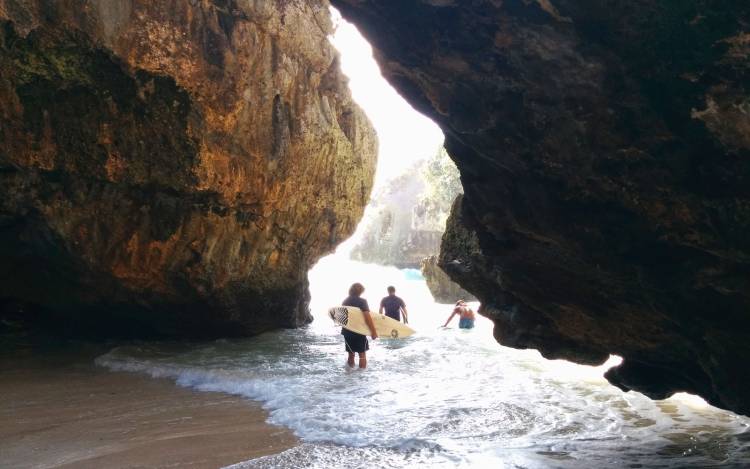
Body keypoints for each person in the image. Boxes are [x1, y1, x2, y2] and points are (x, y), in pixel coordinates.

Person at [342, 282, 378, 368]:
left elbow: (343, 317)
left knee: (351, 354)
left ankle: (349, 376)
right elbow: (367, 317)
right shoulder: (362, 301)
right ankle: (361, 378)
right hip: (359, 331)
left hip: (347, 331)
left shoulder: (345, 301)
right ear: (361, 291)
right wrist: (373, 331)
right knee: (362, 355)